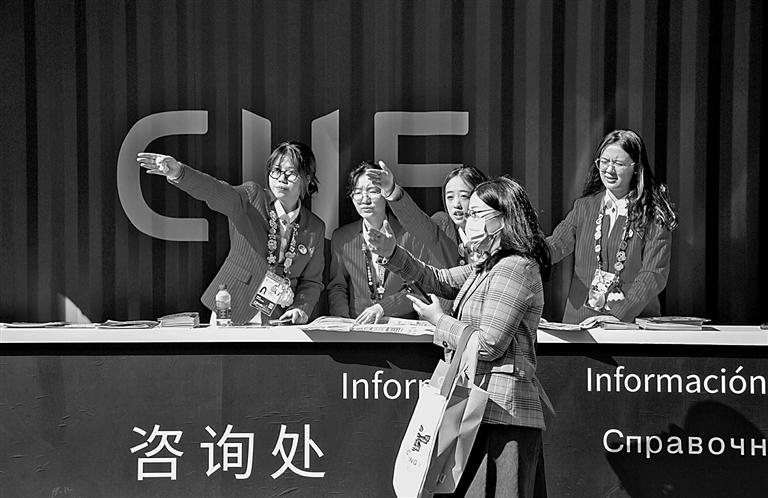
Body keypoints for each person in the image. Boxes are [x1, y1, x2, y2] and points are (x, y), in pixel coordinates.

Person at [365, 176, 551, 497]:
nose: (468, 217)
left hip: (501, 416)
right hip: (478, 409)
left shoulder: (515, 268)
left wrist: (440, 321)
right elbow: (436, 278)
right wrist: (392, 252)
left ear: (503, 219)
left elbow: (489, 344)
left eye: (477, 213)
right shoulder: (487, 266)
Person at [136, 141, 325, 325]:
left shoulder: (315, 227)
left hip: (278, 317)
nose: (281, 178)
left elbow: (311, 281)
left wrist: (301, 308)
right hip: (231, 304)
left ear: (307, 178)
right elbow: (215, 191)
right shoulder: (253, 196)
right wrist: (179, 173)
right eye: (276, 170)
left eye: (291, 173)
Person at [547, 129, 679, 324]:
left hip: (631, 324)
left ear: (636, 168)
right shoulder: (584, 207)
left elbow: (653, 274)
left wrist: (619, 315)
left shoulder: (653, 215)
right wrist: (526, 251)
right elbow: (557, 244)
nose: (609, 169)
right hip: (581, 323)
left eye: (618, 163)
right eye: (604, 161)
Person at [327, 161, 430, 324]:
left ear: (385, 194)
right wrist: (342, 321)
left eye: (373, 191)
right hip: (357, 326)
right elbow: (338, 286)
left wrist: (383, 308)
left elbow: (419, 287)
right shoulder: (342, 237)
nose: (364, 199)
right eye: (357, 192)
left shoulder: (410, 235)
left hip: (399, 326)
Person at [367, 161, 487, 267]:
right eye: (450, 197)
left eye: (464, 196)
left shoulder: (495, 232)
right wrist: (390, 189)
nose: (456, 204)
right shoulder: (443, 226)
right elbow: (415, 221)